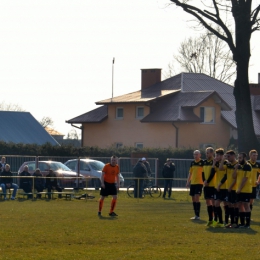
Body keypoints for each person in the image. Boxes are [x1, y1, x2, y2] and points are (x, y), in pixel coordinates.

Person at [232, 152, 252, 228]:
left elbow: (245, 179)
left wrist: (240, 188)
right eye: (238, 157)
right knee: (240, 205)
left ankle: (247, 224)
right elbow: (234, 177)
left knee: (246, 205)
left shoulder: (247, 166)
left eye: (240, 158)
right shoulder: (239, 166)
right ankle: (242, 223)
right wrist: (235, 168)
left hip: (245, 190)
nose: (239, 159)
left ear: (244, 158)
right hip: (239, 190)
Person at [221, 150, 239, 228]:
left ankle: (236, 223)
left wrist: (231, 186)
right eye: (226, 156)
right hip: (229, 188)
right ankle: (231, 222)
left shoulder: (237, 165)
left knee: (235, 205)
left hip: (234, 188)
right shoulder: (228, 165)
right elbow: (220, 168)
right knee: (230, 205)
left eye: (228, 156)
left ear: (233, 156)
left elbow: (236, 178)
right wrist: (223, 160)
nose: (227, 158)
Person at [186, 150, 204, 220]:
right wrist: (188, 182)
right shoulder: (192, 163)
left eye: (197, 154)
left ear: (200, 155)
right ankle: (195, 215)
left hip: (199, 183)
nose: (195, 156)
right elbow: (190, 173)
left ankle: (198, 215)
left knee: (197, 197)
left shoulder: (202, 162)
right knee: (193, 199)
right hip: (193, 183)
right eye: (194, 154)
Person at [213, 148, 228, 228]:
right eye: (216, 155)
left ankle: (226, 220)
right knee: (216, 204)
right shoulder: (216, 163)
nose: (217, 157)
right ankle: (220, 221)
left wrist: (219, 184)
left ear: (222, 156)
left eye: (218, 155)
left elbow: (226, 176)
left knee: (225, 204)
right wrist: (213, 163)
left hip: (224, 187)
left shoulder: (226, 163)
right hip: (217, 187)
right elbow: (213, 172)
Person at [202, 147, 216, 226]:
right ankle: (210, 219)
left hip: (213, 185)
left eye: (208, 153)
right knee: (208, 202)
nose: (207, 154)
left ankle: (215, 218)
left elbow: (213, 172)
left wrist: (208, 181)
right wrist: (204, 181)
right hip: (206, 185)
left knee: (213, 202)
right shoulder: (204, 162)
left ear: (212, 153)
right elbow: (203, 173)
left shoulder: (214, 162)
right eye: (206, 153)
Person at [247, 150, 260, 219]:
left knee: (251, 201)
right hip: (245, 186)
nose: (255, 157)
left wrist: (258, 181)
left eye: (256, 155)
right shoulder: (247, 163)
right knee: (244, 202)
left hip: (253, 186)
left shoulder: (257, 164)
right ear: (250, 156)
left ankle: (248, 216)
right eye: (253, 155)